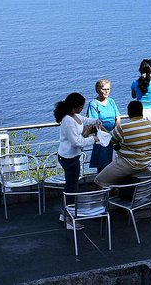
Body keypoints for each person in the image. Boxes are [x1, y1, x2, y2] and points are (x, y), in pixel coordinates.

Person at [53, 92, 104, 230]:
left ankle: (65, 214)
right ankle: (69, 218)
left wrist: (95, 121)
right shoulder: (68, 121)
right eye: (81, 106)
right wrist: (93, 139)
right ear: (75, 107)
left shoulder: (74, 116)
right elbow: (76, 142)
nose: (82, 108)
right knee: (71, 188)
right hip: (69, 158)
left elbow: (85, 120)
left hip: (71, 156)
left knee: (71, 186)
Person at [94, 101, 151, 188]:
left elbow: (112, 141)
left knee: (98, 181)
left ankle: (113, 196)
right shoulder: (150, 126)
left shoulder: (123, 128)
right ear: (141, 111)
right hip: (145, 162)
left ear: (128, 112)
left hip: (127, 164)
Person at [87, 79, 121, 173]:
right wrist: (108, 133)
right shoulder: (93, 104)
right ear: (98, 90)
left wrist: (116, 130)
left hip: (114, 134)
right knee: (102, 163)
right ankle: (102, 185)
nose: (106, 91)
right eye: (104, 89)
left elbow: (117, 117)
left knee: (114, 162)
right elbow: (95, 122)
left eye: (108, 89)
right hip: (102, 137)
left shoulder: (111, 101)